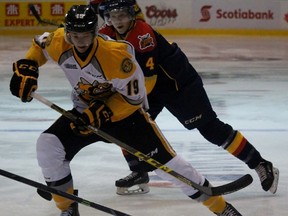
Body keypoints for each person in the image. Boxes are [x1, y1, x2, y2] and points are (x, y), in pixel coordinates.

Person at [9, 4, 244, 216]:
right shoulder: (59, 40)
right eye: (75, 35)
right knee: (49, 144)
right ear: (68, 33)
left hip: (127, 118)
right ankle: (68, 208)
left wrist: (102, 112)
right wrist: (29, 67)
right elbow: (39, 46)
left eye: (86, 35)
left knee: (168, 166)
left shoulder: (117, 56)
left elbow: (134, 99)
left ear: (96, 33)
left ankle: (221, 208)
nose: (80, 41)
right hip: (84, 113)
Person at [97, 0, 279, 196]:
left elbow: (148, 80)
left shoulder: (142, 33)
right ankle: (139, 171)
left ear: (132, 15)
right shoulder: (106, 34)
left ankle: (260, 163)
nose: (118, 20)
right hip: (149, 86)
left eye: (122, 15)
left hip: (178, 84)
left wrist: (124, 101)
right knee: (125, 123)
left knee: (210, 128)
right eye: (113, 16)